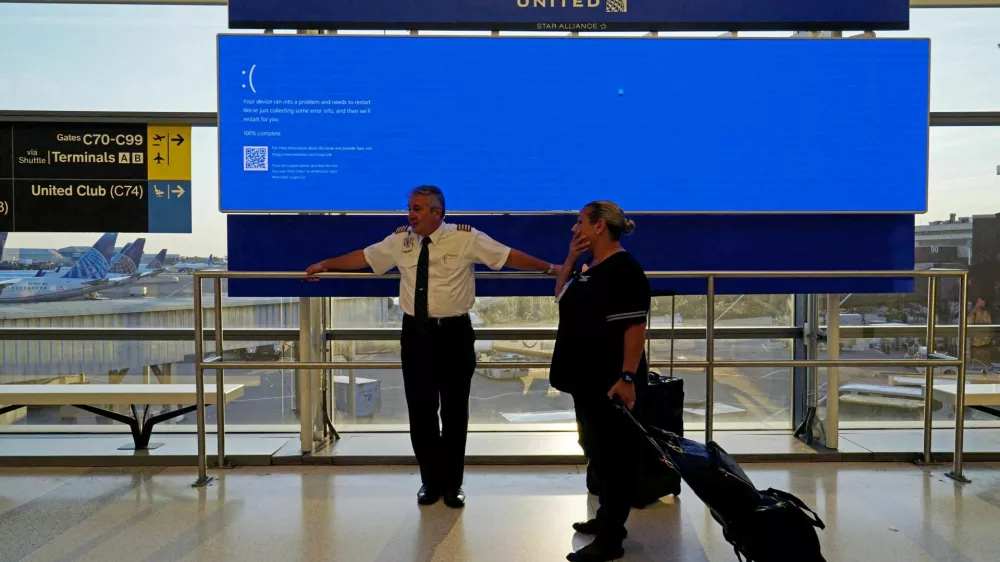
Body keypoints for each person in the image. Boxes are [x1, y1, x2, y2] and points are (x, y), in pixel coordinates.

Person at [305, 185, 558, 508]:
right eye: (410, 207)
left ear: (438, 213)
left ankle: (452, 484)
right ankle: (430, 481)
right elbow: (364, 257)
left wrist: (551, 268)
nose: (411, 214)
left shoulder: (466, 238)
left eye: (418, 209)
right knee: (421, 411)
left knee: (454, 412)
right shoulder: (401, 241)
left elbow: (507, 256)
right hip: (416, 334)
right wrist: (326, 264)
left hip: (454, 333)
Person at [549, 200, 650, 562]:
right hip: (585, 377)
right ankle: (607, 518)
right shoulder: (592, 267)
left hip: (609, 380)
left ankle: (611, 538)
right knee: (594, 448)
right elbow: (559, 295)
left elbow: (635, 328)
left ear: (599, 227)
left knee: (613, 456)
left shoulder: (624, 270)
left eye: (579, 223)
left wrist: (626, 377)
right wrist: (571, 260)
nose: (574, 229)